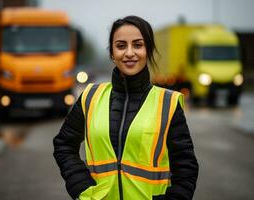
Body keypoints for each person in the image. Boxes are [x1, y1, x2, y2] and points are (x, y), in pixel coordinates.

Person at [53, 15, 199, 200]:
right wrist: (82, 188)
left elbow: (186, 166)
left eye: (137, 45)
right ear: (112, 53)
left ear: (148, 50)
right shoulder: (90, 97)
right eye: (121, 46)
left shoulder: (167, 103)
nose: (129, 53)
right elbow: (63, 144)